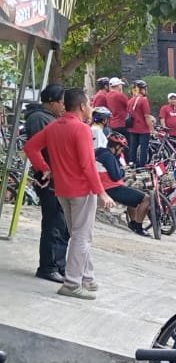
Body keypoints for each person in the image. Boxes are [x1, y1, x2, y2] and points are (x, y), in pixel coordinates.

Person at [23, 89, 115, 300]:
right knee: (82, 236)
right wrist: (101, 193)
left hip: (62, 189)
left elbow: (30, 147)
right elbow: (87, 165)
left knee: (78, 234)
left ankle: (87, 277)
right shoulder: (81, 129)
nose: (91, 108)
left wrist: (44, 168)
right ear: (82, 106)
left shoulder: (54, 125)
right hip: (82, 190)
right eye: (90, 104)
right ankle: (73, 283)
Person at [24, 85, 69, 283]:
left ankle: (59, 264)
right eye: (61, 102)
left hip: (60, 177)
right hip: (48, 179)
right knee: (53, 224)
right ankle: (48, 265)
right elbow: (38, 148)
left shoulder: (52, 119)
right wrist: (45, 169)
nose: (63, 106)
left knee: (61, 223)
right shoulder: (39, 119)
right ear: (51, 101)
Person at [96, 132, 154, 235]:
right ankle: (138, 226)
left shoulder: (100, 152)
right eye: (121, 148)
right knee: (146, 199)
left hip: (104, 186)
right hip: (111, 188)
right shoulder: (108, 157)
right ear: (117, 146)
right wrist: (123, 171)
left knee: (132, 195)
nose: (122, 151)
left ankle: (132, 222)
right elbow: (116, 176)